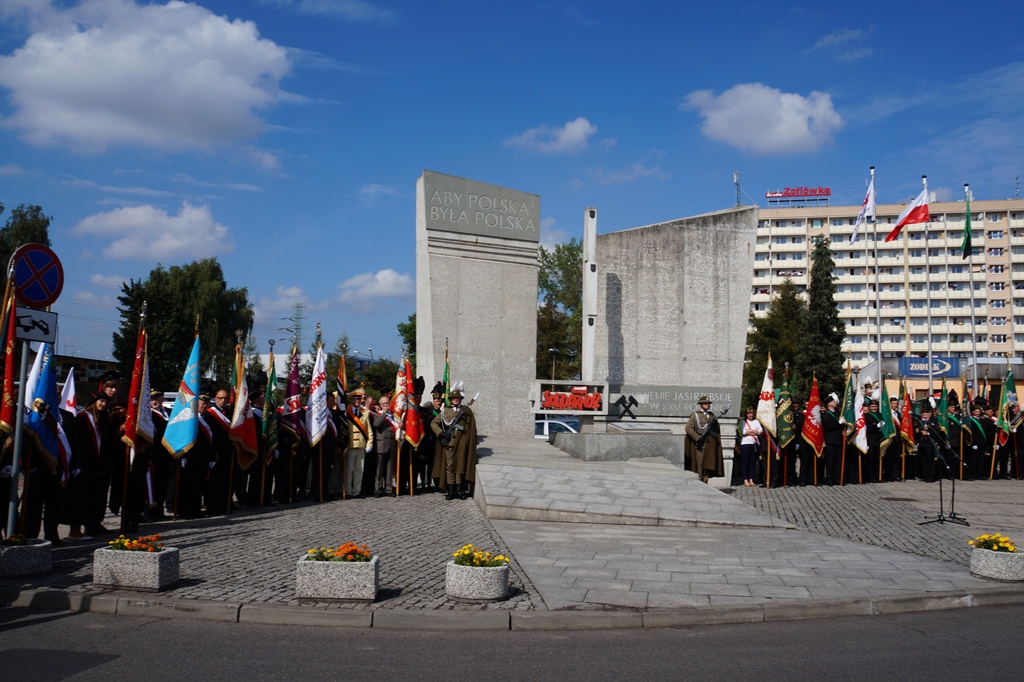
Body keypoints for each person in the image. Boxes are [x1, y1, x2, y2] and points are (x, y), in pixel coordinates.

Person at [430, 385, 478, 500]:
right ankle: (451, 490)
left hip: (461, 444)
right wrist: (441, 433)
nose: (456, 399)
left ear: (460, 399)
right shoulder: (446, 411)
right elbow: (433, 423)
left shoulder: (466, 411)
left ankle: (459, 489)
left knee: (460, 466)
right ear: (451, 399)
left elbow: (470, 427)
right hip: (450, 443)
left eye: (458, 398)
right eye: (453, 398)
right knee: (450, 467)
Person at [684, 396, 723, 484]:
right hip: (701, 444)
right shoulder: (695, 415)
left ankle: (705, 482)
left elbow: (716, 429)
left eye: (708, 403)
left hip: (710, 444)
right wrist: (698, 438)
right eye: (705, 403)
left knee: (708, 465)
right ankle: (700, 483)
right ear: (701, 404)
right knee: (700, 465)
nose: (707, 405)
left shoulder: (711, 416)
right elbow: (688, 428)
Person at [344, 388, 373, 499]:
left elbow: (369, 430)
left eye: (358, 398)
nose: (357, 400)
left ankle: (357, 491)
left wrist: (369, 443)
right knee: (349, 470)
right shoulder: (346, 412)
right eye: (354, 398)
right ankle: (348, 491)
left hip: (361, 445)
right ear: (350, 400)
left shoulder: (364, 413)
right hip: (350, 446)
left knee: (359, 470)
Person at [372, 394, 398, 497]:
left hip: (391, 444)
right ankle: (378, 489)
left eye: (387, 403)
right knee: (379, 469)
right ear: (380, 405)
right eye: (384, 404)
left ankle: (388, 489)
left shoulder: (393, 414)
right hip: (381, 445)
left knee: (389, 469)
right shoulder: (377, 415)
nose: (386, 405)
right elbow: (376, 425)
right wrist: (384, 414)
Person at [821, 393, 843, 486]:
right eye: (833, 401)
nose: (835, 403)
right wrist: (839, 424)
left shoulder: (838, 413)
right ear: (829, 404)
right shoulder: (825, 415)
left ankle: (837, 478)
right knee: (830, 461)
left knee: (838, 461)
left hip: (839, 440)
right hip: (830, 440)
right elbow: (828, 426)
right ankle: (829, 479)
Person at [737, 406, 762, 488]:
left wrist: (750, 431)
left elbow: (760, 431)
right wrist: (754, 431)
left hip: (754, 443)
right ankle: (745, 479)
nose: (750, 415)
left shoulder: (756, 421)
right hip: (745, 444)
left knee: (752, 463)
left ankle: (751, 479)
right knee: (745, 462)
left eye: (751, 413)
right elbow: (744, 432)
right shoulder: (743, 422)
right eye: (748, 413)